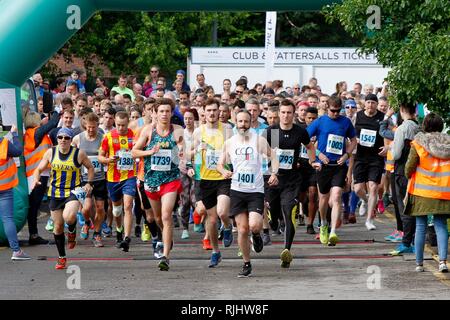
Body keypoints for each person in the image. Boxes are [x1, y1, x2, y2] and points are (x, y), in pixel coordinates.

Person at [217, 110, 279, 277]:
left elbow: (273, 155)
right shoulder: (230, 142)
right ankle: (246, 263)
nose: (243, 124)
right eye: (240, 122)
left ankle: (257, 235)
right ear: (235, 123)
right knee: (243, 230)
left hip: (255, 191)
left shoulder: (258, 141)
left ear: (251, 122)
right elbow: (219, 164)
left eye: (246, 121)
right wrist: (223, 171)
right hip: (237, 191)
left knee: (254, 226)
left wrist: (274, 173)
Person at [265, 99, 319, 268]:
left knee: (289, 213)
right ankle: (273, 222)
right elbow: (269, 154)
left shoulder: (299, 132)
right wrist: (272, 172)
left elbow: (310, 147)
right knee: (274, 215)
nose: (286, 116)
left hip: (291, 181)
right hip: (273, 180)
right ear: (278, 114)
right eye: (283, 112)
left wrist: (312, 162)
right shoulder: (271, 132)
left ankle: (286, 251)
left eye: (289, 112)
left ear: (294, 114)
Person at [31, 128, 94, 269]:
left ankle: (71, 230)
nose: (63, 140)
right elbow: (39, 169)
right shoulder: (51, 152)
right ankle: (62, 257)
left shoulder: (78, 154)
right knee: (58, 226)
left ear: (71, 140)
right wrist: (36, 179)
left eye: (66, 138)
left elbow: (90, 168)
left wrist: (89, 183)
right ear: (57, 139)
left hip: (73, 191)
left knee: (69, 216)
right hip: (55, 193)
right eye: (60, 137)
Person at [132, 98, 184, 271]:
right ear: (155, 112)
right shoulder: (148, 130)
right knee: (157, 218)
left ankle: (165, 256)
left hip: (170, 179)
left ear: (171, 113)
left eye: (167, 111)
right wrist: (150, 151)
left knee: (167, 215)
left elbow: (182, 148)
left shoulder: (177, 130)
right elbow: (134, 152)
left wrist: (182, 151)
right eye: (161, 111)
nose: (164, 114)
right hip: (152, 180)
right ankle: (167, 238)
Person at [307, 96, 357, 246]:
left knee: (336, 197)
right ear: (326, 108)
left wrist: (347, 154)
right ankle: (323, 224)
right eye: (332, 111)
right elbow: (305, 139)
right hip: (323, 166)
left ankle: (333, 231)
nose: (335, 114)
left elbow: (353, 140)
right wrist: (317, 154)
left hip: (339, 166)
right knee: (323, 199)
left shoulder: (345, 122)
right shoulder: (320, 121)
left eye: (337, 111)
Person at [191, 98, 234, 268]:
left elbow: (233, 152)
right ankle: (216, 251)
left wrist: (224, 156)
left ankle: (228, 226)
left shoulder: (228, 130)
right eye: (208, 110)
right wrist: (197, 150)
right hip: (206, 179)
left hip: (223, 177)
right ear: (204, 112)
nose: (212, 113)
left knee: (223, 212)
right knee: (212, 219)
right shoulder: (198, 132)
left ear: (220, 112)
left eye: (215, 110)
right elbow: (189, 154)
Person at [404, 113, 449, 273]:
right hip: (444, 192)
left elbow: (409, 167)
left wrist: (407, 175)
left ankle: (419, 264)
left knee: (421, 226)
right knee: (441, 225)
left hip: (422, 191)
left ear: (425, 126)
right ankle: (443, 261)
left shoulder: (418, 144)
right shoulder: (448, 144)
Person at [98, 111, 136, 252]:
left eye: (124, 125)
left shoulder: (134, 135)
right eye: (118, 125)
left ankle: (127, 237)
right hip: (113, 178)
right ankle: (119, 229)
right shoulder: (108, 137)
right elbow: (100, 156)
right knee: (117, 209)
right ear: (115, 122)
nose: (121, 128)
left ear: (128, 123)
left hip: (129, 176)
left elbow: (138, 151)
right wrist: (108, 160)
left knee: (128, 206)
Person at [388, 102, 420, 255]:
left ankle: (406, 242)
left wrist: (391, 147)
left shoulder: (402, 128)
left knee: (404, 207)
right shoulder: (419, 127)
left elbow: (396, 154)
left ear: (401, 110)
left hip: (401, 171)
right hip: (417, 171)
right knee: (414, 207)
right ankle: (414, 240)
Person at [24, 110, 60, 244]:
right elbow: (54, 122)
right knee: (34, 206)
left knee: (34, 205)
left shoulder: (30, 134)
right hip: (38, 175)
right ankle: (33, 235)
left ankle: (33, 235)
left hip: (35, 174)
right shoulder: (36, 133)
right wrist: (54, 112)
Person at [72, 113, 107, 247]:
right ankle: (87, 223)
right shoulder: (78, 139)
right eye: (89, 127)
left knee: (100, 208)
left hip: (100, 178)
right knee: (86, 208)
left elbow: (107, 154)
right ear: (85, 126)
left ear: (98, 125)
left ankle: (97, 234)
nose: (91, 130)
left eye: (94, 127)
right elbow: (72, 157)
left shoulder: (103, 138)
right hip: (84, 179)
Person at [353, 94, 388, 231]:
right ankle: (366, 200)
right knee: (357, 189)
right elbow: (352, 132)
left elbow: (387, 132)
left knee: (373, 187)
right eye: (368, 102)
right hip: (361, 156)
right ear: (365, 103)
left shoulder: (381, 117)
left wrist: (386, 147)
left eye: (373, 103)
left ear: (376, 104)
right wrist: (356, 139)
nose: (371, 105)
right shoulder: (358, 115)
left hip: (376, 157)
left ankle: (369, 220)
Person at [0, 125, 31, 260]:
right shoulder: (3, 143)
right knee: (7, 219)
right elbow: (18, 151)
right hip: (4, 187)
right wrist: (14, 134)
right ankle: (16, 251)